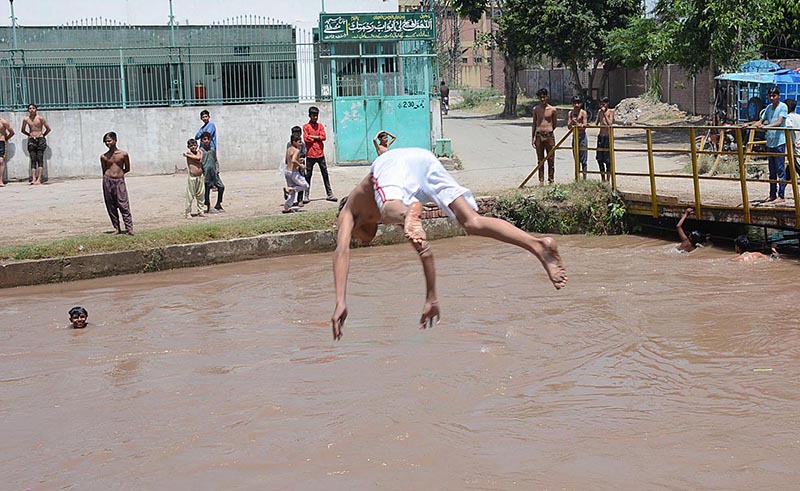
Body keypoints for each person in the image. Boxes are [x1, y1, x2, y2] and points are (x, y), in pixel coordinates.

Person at [330, 147, 568, 341]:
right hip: (422, 159)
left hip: (393, 167)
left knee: (391, 207)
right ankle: (539, 245)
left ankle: (406, 212)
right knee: (472, 222)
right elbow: (426, 252)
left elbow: (341, 252)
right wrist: (431, 297)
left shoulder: (349, 211)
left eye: (354, 238)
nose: (359, 241)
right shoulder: (405, 216)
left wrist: (341, 299)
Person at [755, 86, 788, 203]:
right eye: (770, 96)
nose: (772, 98)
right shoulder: (768, 108)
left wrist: (766, 127)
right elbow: (761, 121)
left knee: (780, 170)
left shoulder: (783, 107)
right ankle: (772, 194)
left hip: (779, 142)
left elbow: (779, 122)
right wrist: (753, 125)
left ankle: (781, 196)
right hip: (770, 142)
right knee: (772, 171)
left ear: (778, 96)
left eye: (774, 96)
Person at [100, 131, 134, 235]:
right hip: (107, 181)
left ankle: (129, 228)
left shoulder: (123, 154)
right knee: (110, 204)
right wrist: (108, 178)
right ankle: (116, 228)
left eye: (109, 141)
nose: (107, 143)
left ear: (115, 140)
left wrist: (118, 176)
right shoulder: (104, 156)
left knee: (123, 204)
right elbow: (104, 170)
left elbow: (127, 168)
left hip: (119, 181)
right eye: (105, 141)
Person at [303, 106, 337, 203]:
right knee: (308, 175)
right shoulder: (306, 127)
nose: (315, 117)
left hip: (320, 154)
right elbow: (306, 138)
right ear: (310, 116)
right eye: (313, 116)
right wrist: (317, 137)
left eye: (316, 116)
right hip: (310, 154)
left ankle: (329, 193)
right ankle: (306, 194)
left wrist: (313, 137)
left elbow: (323, 137)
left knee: (325, 174)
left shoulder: (320, 126)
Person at [531, 88, 558, 185]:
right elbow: (534, 123)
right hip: (539, 136)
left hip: (549, 136)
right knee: (540, 159)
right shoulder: (536, 109)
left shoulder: (552, 109)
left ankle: (551, 179)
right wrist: (533, 137)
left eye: (544, 97)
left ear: (547, 97)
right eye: (540, 97)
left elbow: (555, 123)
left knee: (551, 158)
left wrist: (549, 131)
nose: (542, 99)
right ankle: (541, 180)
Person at [21, 103, 51, 185]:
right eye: (30, 108)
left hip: (40, 139)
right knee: (33, 158)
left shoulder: (40, 118)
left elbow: (48, 128)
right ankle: (33, 178)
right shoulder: (26, 119)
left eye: (33, 108)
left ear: (36, 109)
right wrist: (29, 134)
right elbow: (22, 130)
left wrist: (42, 135)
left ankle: (39, 178)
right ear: (28, 110)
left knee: (40, 158)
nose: (32, 110)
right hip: (31, 140)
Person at [282, 135, 309, 213]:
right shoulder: (296, 150)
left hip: (287, 172)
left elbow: (288, 161)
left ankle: (286, 207)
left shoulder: (288, 149)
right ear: (294, 142)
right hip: (294, 173)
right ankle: (289, 189)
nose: (300, 143)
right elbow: (293, 160)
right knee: (305, 185)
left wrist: (299, 160)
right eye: (299, 142)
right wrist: (301, 165)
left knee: (292, 193)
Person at [200, 132, 225, 213]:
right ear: (202, 140)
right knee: (207, 190)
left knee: (221, 187)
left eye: (208, 139)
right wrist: (202, 174)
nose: (206, 141)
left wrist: (217, 169)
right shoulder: (201, 151)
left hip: (214, 173)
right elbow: (200, 163)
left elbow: (215, 160)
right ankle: (208, 206)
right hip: (206, 174)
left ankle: (218, 204)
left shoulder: (212, 149)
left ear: (210, 140)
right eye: (204, 139)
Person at [182, 138, 205, 218]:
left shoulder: (200, 152)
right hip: (192, 177)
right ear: (188, 146)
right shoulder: (189, 152)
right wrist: (187, 155)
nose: (193, 147)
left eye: (195, 145)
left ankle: (201, 211)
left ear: (197, 145)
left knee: (201, 195)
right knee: (190, 195)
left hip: (200, 177)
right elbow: (195, 158)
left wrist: (186, 155)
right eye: (191, 146)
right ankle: (188, 212)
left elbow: (198, 158)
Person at [567, 95, 588, 179]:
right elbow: (569, 127)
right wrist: (572, 121)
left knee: (584, 158)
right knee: (576, 158)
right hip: (575, 136)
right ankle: (577, 177)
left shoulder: (583, 113)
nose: (576, 105)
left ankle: (584, 177)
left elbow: (585, 125)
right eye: (575, 103)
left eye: (578, 103)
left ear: (581, 103)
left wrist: (578, 124)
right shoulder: (570, 113)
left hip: (582, 136)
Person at [595, 96, 614, 182]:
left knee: (608, 160)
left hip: (607, 137)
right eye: (601, 104)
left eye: (604, 103)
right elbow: (596, 123)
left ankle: (608, 179)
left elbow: (610, 124)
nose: (602, 105)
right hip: (601, 137)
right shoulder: (599, 112)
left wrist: (605, 114)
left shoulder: (610, 112)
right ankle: (603, 179)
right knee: (600, 158)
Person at [288, 125, 307, 206]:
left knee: (301, 181)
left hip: (300, 164)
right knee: (293, 182)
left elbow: (304, 152)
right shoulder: (289, 144)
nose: (298, 136)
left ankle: (300, 200)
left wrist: (302, 158)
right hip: (293, 166)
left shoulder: (302, 144)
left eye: (299, 134)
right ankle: (290, 200)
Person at [783, 98, 800, 178]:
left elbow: (788, 127)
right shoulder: (798, 116)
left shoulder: (788, 118)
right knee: (790, 169)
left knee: (796, 166)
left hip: (794, 146)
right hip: (798, 144)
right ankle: (781, 188)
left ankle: (781, 188)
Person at [0, 115, 15, 186]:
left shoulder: (3, 122)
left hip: (1, 142)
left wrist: (6, 138)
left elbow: (11, 132)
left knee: (1, 161)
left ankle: (1, 181)